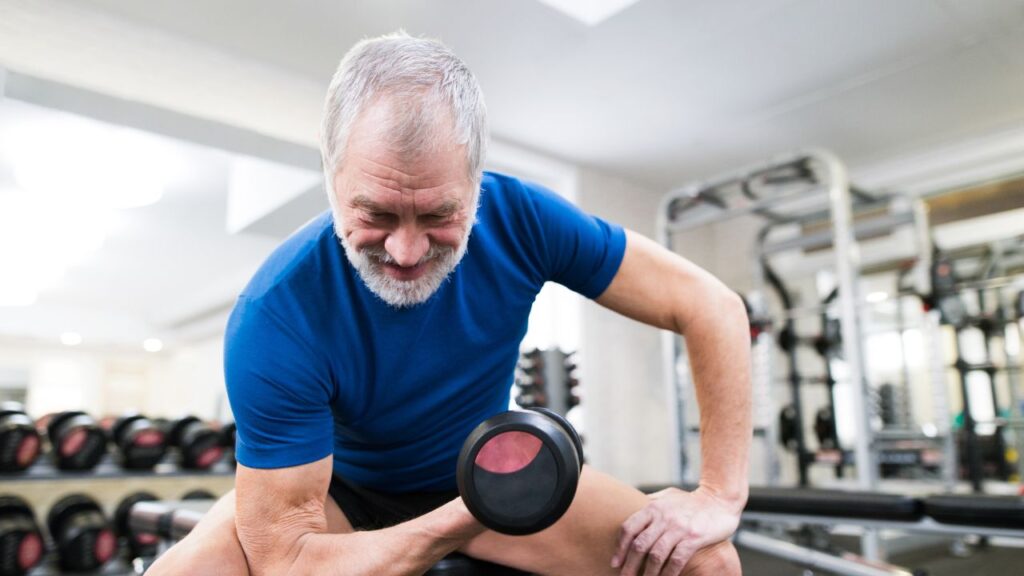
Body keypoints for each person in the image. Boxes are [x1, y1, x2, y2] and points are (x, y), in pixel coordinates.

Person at [149, 31, 751, 576]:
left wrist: (719, 494)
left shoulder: (524, 219)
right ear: (332, 174)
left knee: (706, 563)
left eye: (439, 215)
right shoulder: (275, 313)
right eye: (376, 214)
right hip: (337, 491)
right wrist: (462, 519)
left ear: (475, 180)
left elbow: (712, 307)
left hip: (487, 466)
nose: (406, 251)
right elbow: (287, 561)